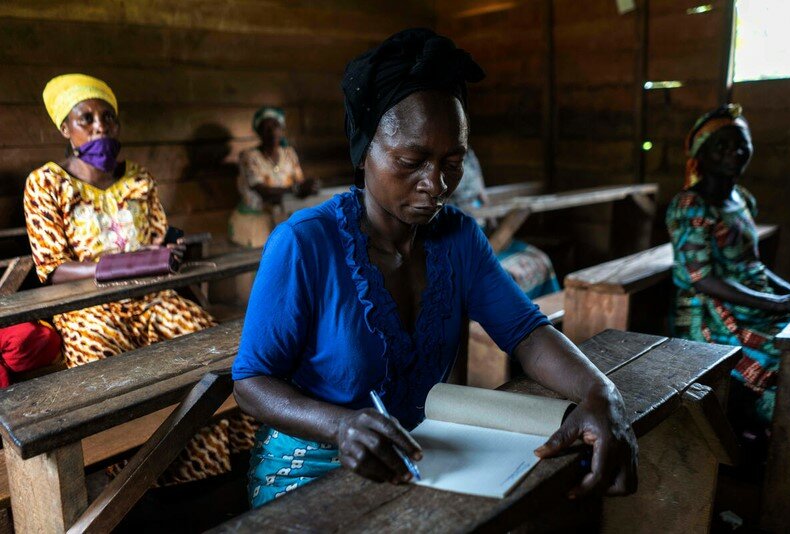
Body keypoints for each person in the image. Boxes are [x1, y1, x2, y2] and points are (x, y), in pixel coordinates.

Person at [232, 29, 637, 509]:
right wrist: (340, 425)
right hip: (308, 468)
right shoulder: (304, 244)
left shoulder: (458, 238)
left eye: (453, 162)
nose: (437, 184)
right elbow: (252, 382)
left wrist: (601, 391)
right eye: (411, 160)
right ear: (364, 153)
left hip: (418, 457)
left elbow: (525, 333)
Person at [24, 73, 255, 484]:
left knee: (201, 339)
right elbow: (53, 269)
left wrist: (167, 256)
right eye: (86, 119)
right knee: (108, 369)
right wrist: (128, 264)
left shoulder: (138, 179)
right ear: (65, 128)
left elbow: (157, 244)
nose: (100, 127)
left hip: (150, 297)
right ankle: (133, 478)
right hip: (86, 306)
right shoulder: (47, 183)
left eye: (108, 118)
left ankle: (207, 467)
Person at [666, 104, 790, 429]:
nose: (734, 152)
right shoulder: (691, 205)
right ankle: (772, 433)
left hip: (752, 299)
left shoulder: (741, 198)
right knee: (785, 356)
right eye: (721, 146)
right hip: (711, 313)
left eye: (741, 143)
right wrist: (775, 302)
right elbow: (703, 280)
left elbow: (751, 263)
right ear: (701, 154)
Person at [449, 147, 560, 299]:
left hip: (482, 231)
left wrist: (494, 225)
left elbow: (481, 194)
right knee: (498, 278)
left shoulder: (468, 155)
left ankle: (540, 316)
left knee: (540, 260)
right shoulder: (439, 161)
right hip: (459, 238)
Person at [229, 106, 319, 248]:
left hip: (282, 219)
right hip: (254, 226)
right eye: (266, 128)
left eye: (275, 126)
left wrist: (309, 187)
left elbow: (300, 183)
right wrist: (296, 189)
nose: (272, 132)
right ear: (259, 132)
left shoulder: (289, 154)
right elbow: (263, 191)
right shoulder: (250, 157)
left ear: (282, 129)